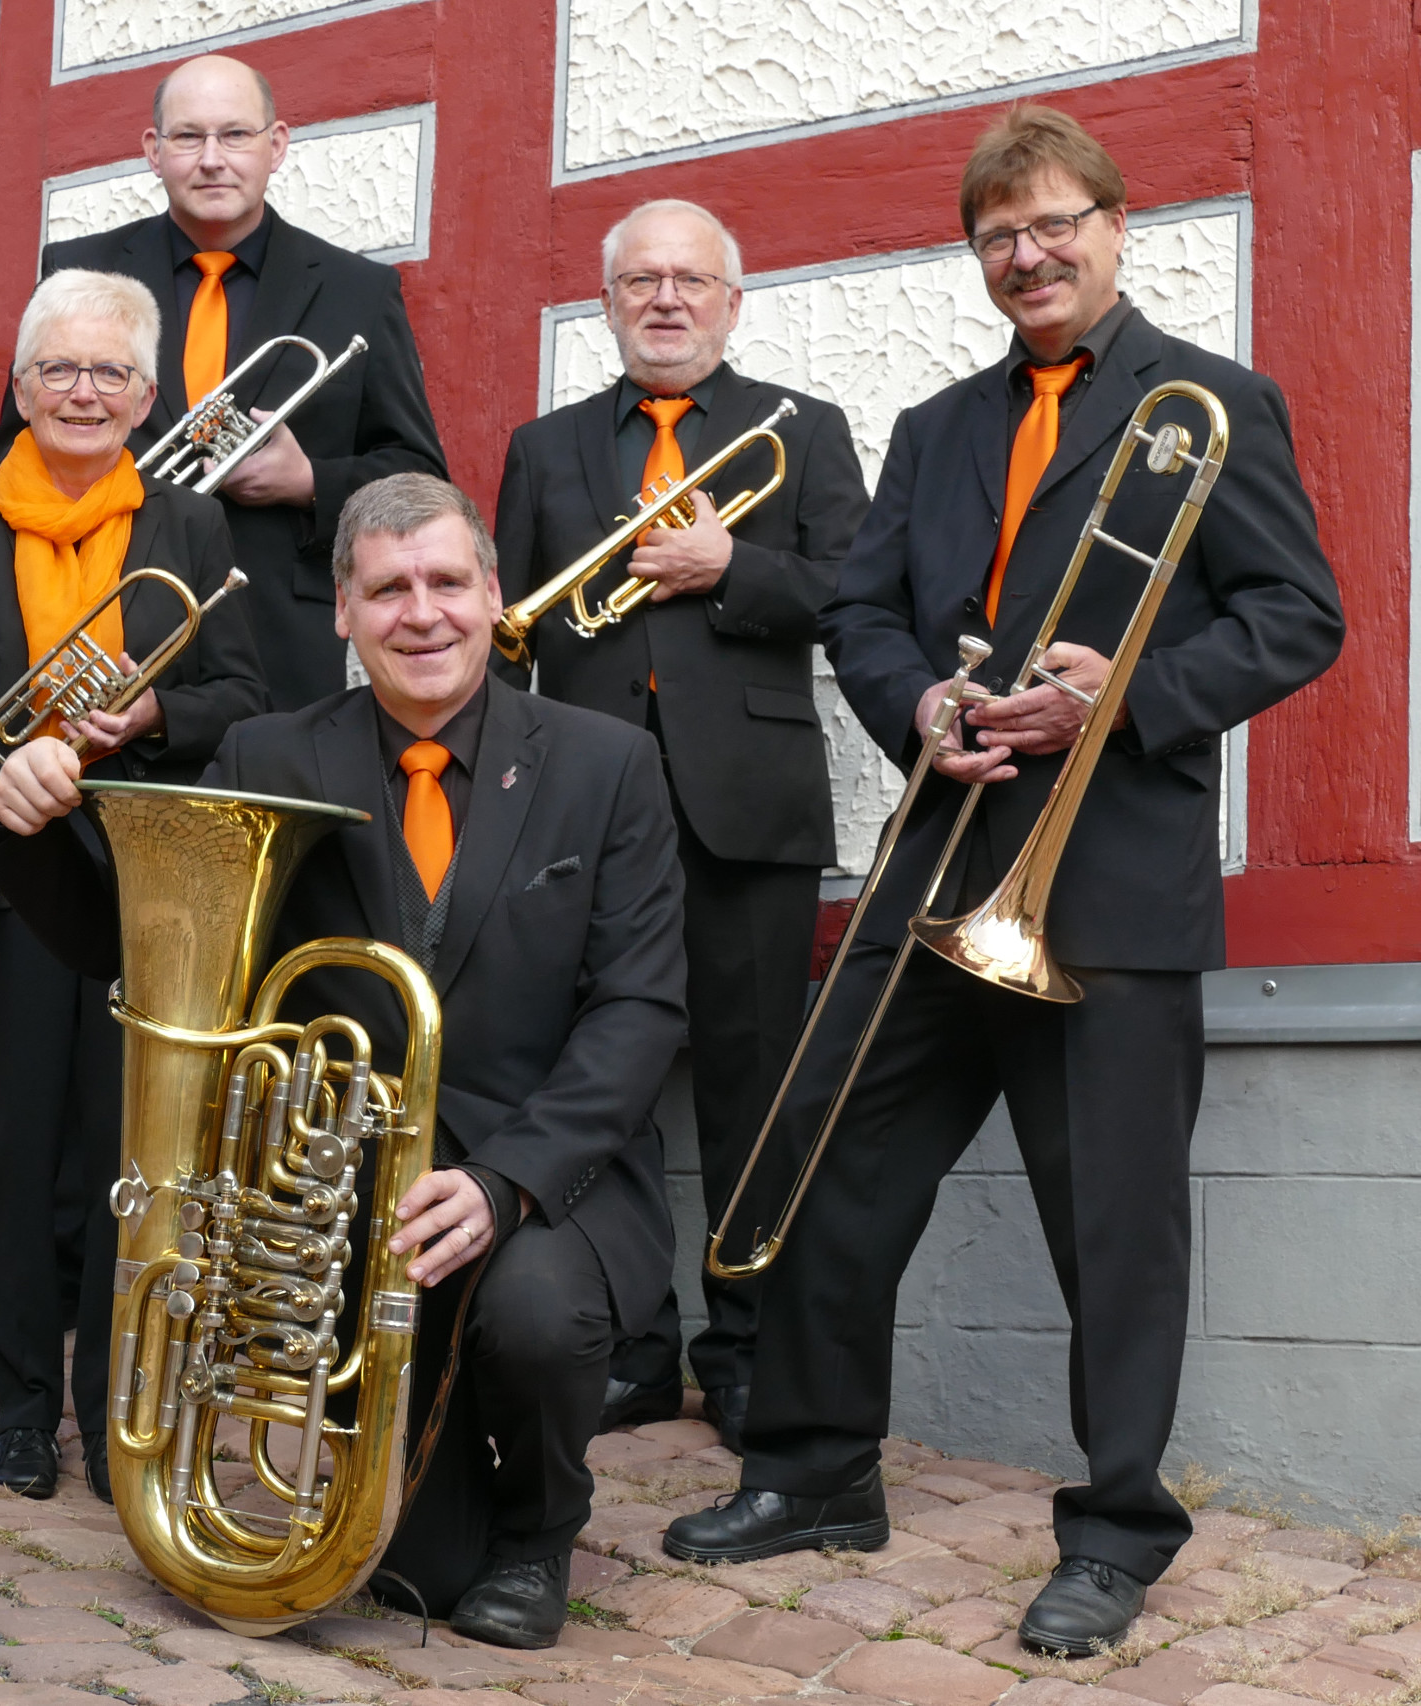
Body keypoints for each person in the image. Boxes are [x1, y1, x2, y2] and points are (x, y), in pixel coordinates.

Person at [663, 105, 1344, 1659]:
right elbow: (862, 606)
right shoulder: (939, 426)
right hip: (944, 869)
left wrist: (1130, 693)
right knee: (842, 1174)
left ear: (1116, 225)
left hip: (1105, 889)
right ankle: (818, 1468)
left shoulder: (1213, 405)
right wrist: (915, 705)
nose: (1025, 255)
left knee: (1113, 1224)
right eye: (996, 235)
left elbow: (1300, 617)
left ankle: (1115, 1532)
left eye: (1051, 225)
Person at [0, 474, 687, 1649]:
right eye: (388, 589)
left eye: (447, 582)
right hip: (346, 1189)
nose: (423, 613)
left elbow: (639, 1007)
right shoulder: (269, 750)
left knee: (532, 1315)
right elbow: (137, 946)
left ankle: (540, 1527)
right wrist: (29, 831)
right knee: (420, 1575)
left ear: (492, 593)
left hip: (541, 1175)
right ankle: (434, 1481)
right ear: (343, 615)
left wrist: (507, 1178)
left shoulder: (606, 762)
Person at [492, 199, 871, 1452]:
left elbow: (860, 596)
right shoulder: (543, 448)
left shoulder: (800, 434)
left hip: (747, 810)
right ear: (606, 303)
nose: (665, 299)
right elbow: (512, 632)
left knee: (754, 1087)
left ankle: (751, 1348)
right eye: (640, 281)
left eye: (690, 281)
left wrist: (735, 570)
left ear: (730, 302)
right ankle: (629, 1345)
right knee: (600, 1083)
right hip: (584, 812)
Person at [0, 270, 263, 1502]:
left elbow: (247, 699)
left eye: (111, 372)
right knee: (7, 1150)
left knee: (129, 1155)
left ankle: (118, 1414)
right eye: (59, 368)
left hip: (145, 886)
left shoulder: (188, 526)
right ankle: (17, 1406)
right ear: (18, 386)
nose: (84, 391)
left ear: (148, 395)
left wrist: (155, 707)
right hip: (3, 883)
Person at [0, 53, 446, 710]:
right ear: (153, 150)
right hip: (101, 621)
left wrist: (308, 481)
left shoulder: (358, 292)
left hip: (276, 638)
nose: (212, 158)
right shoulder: (79, 269)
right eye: (189, 136)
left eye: (235, 134)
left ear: (276, 145)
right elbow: (10, 454)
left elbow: (421, 479)